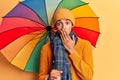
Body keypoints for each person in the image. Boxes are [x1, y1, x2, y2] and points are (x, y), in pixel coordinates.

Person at [39, 8, 94, 80]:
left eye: (67, 23)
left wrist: (72, 51)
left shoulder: (85, 45)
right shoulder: (46, 48)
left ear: (72, 25)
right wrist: (48, 77)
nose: (63, 27)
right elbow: (41, 77)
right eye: (59, 23)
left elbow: (88, 76)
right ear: (56, 27)